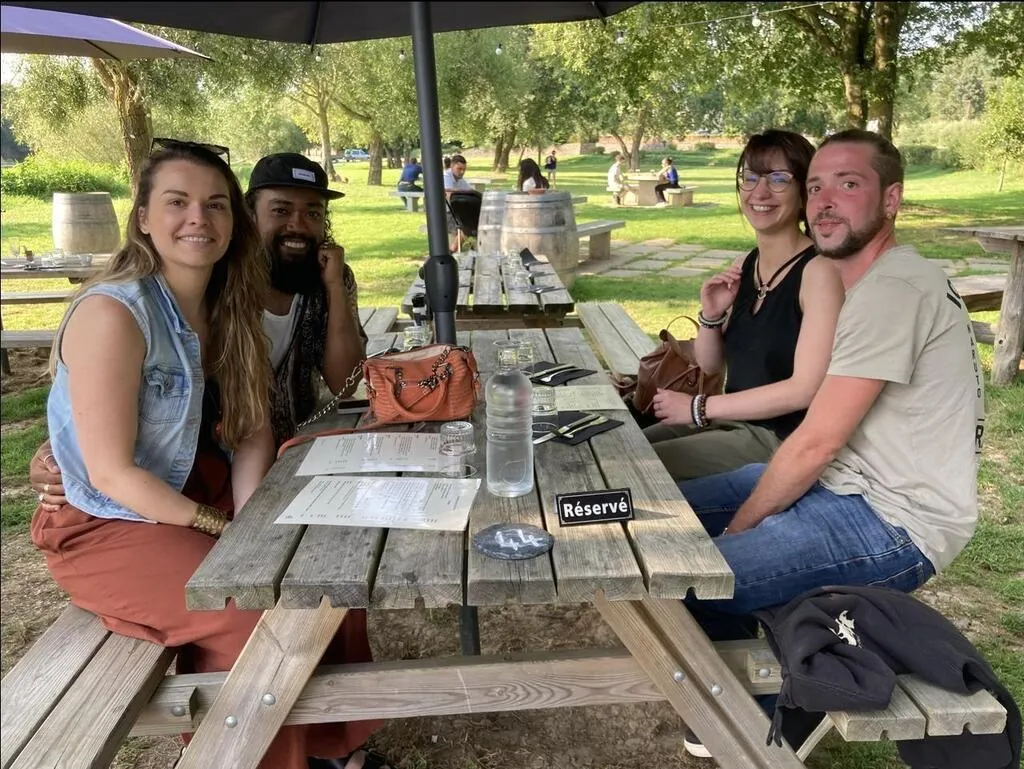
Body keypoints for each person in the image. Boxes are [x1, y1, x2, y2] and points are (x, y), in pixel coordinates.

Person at [26, 141, 390, 769]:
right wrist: (225, 531)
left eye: (214, 204)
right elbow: (110, 472)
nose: (198, 217)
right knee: (250, 611)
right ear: (144, 217)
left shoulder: (226, 304)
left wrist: (251, 520)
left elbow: (251, 429)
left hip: (201, 489)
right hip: (104, 523)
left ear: (231, 221)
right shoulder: (115, 312)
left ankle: (329, 746)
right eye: (178, 202)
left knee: (324, 568)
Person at [676, 129, 984, 760]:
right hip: (844, 486)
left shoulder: (896, 290)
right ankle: (766, 662)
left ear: (891, 199)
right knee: (664, 519)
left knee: (693, 576)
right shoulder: (871, 284)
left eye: (849, 184)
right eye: (816, 186)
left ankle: (783, 700)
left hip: (897, 521)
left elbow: (816, 440)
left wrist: (742, 527)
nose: (824, 201)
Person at [32, 153, 368, 517]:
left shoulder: (281, 288)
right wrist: (63, 450)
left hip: (273, 454)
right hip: (183, 479)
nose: (297, 225)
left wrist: (335, 286)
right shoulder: (201, 288)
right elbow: (114, 407)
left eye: (313, 213)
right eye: (281, 210)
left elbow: (343, 384)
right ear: (249, 216)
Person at [645, 130, 844, 482]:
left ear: (805, 192)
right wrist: (711, 316)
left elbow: (805, 389)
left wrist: (698, 407)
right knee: (623, 446)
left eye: (778, 179)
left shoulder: (818, 273)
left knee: (639, 467)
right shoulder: (747, 263)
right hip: (731, 420)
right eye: (750, 177)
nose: (760, 192)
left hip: (778, 438)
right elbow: (710, 365)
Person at [443, 153, 478, 251]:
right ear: (451, 166)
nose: (462, 172)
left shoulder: (459, 179)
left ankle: (456, 248)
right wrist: (464, 192)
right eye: (459, 169)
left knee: (473, 221)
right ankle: (453, 249)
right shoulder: (446, 176)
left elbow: (470, 191)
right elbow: (449, 193)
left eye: (464, 170)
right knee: (467, 225)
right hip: (444, 212)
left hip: (454, 211)